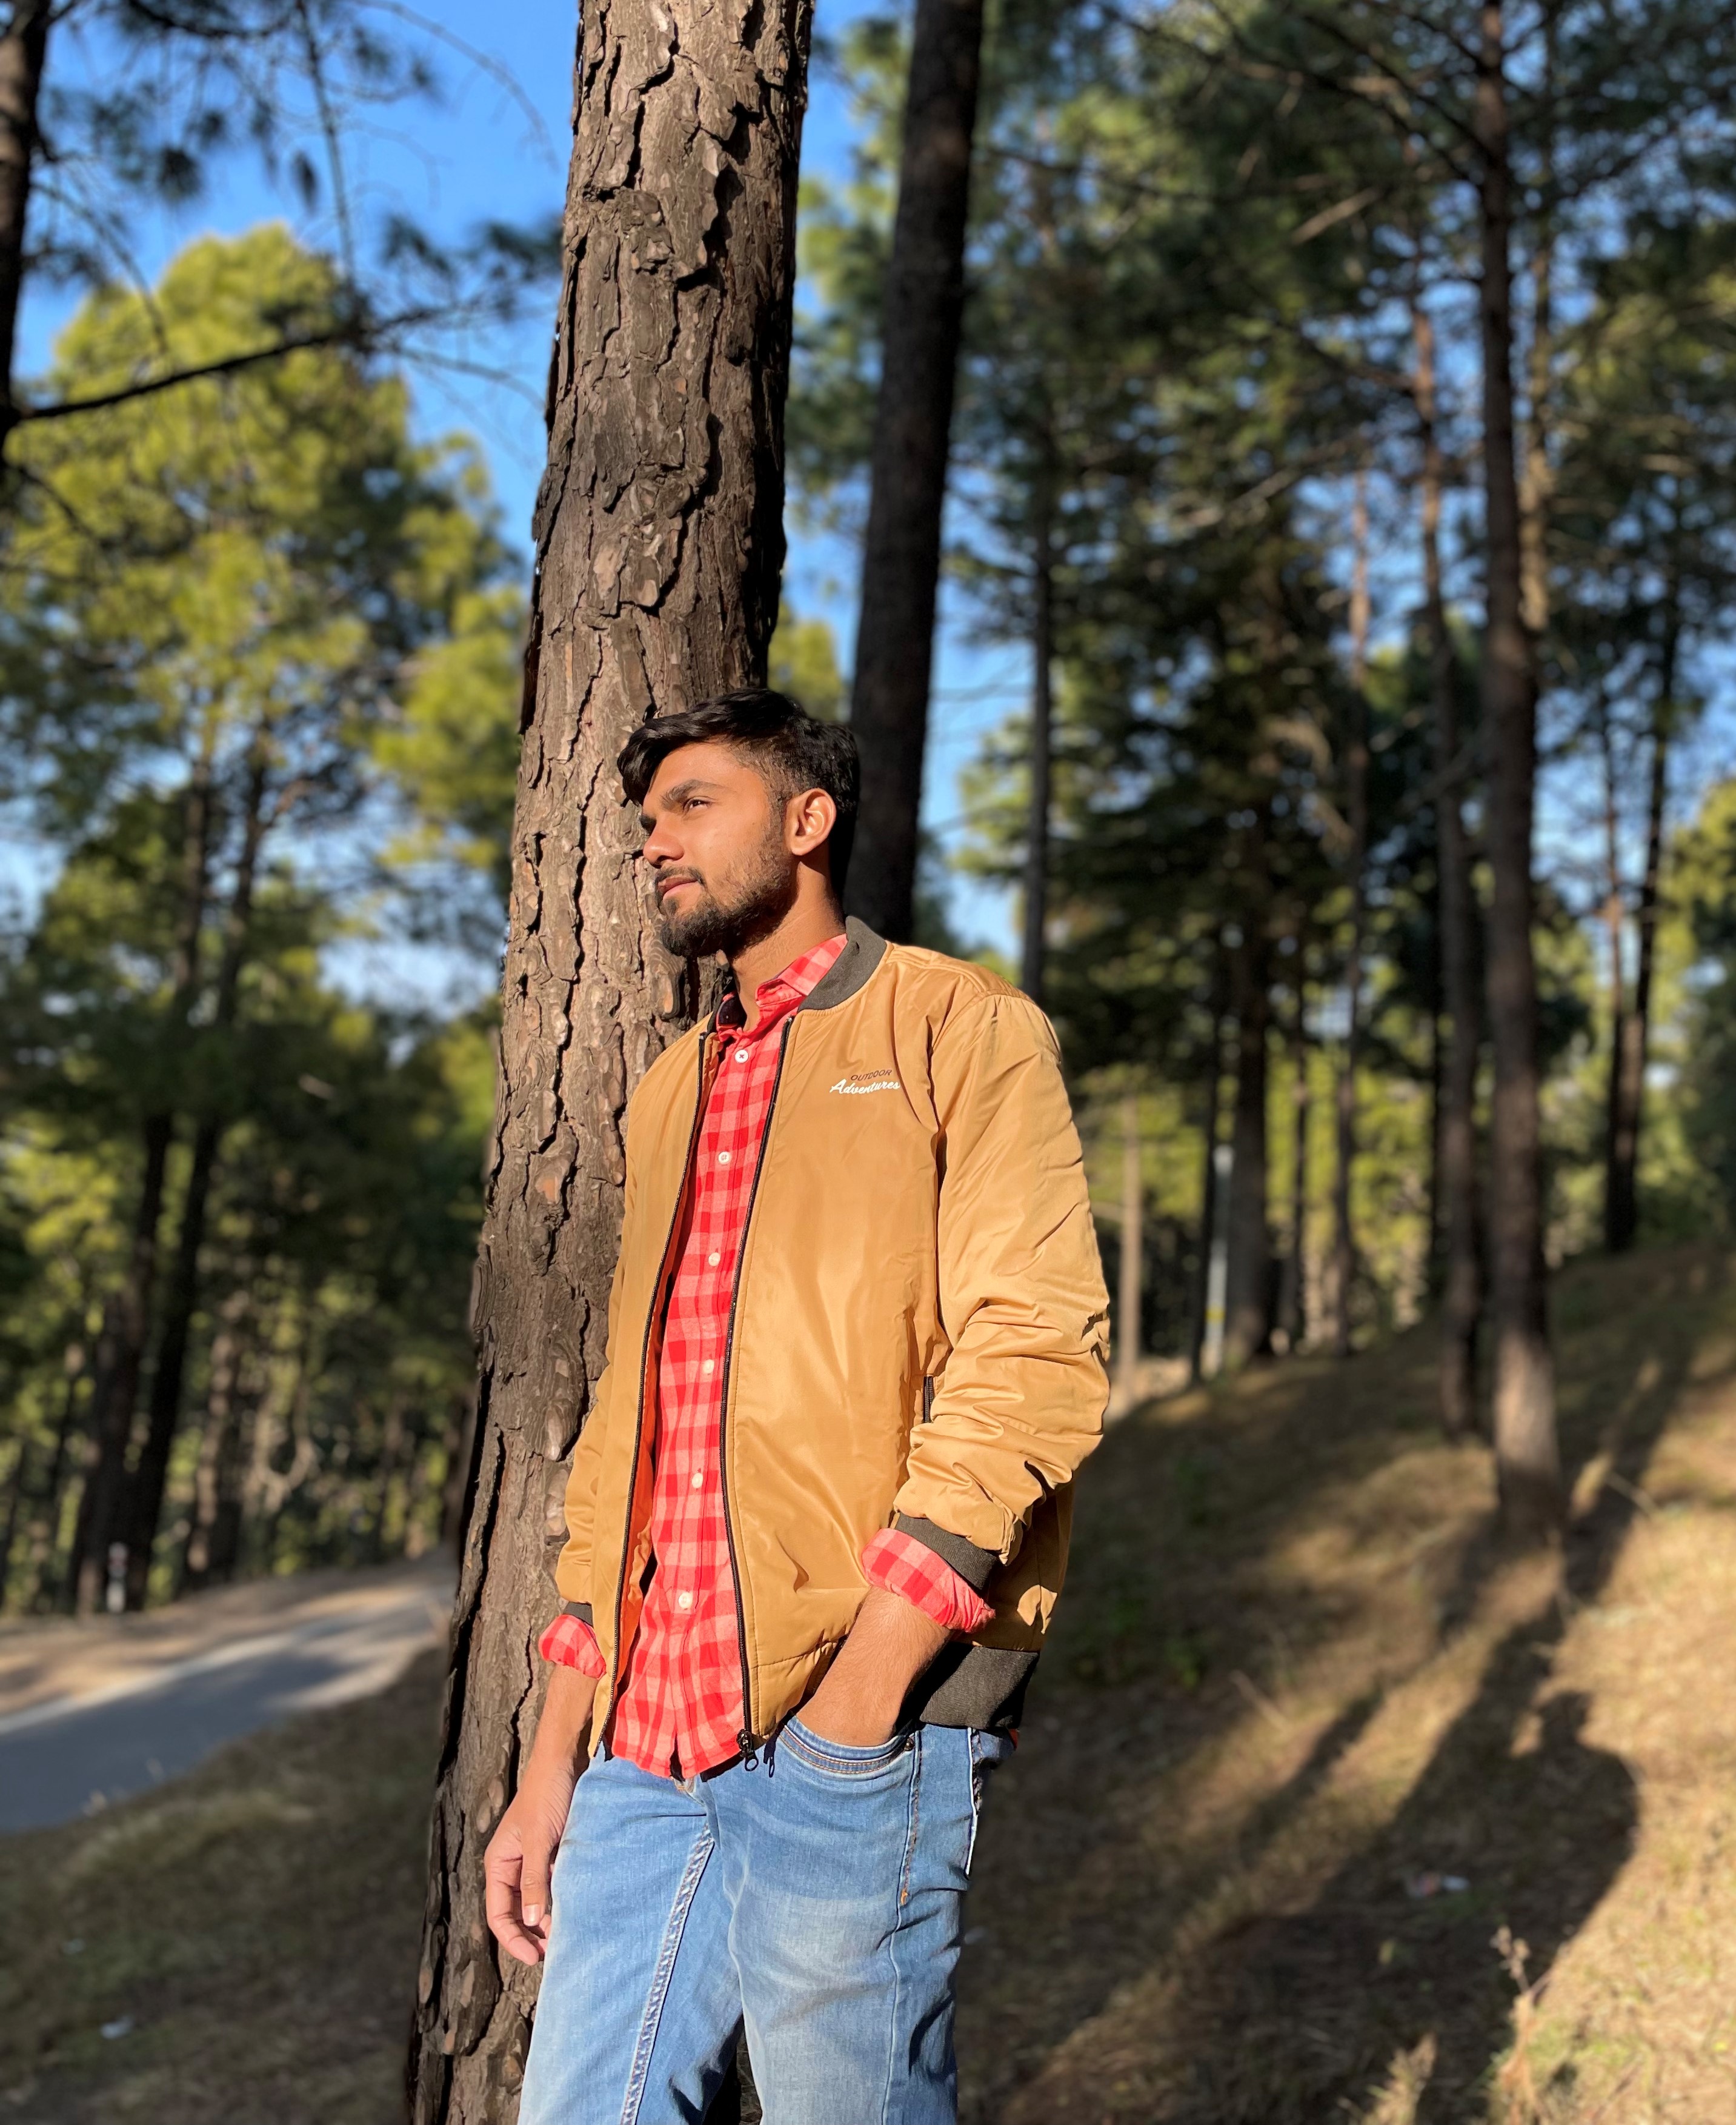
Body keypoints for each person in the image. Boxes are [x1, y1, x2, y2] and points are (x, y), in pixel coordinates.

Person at [485, 689, 1109, 2125]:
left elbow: (1034, 1350)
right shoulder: (667, 1088)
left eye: (692, 805)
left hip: (853, 1730)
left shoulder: (959, 1023)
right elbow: (621, 1434)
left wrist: (861, 1696)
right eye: (647, 822)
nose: (654, 844)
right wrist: (547, 1768)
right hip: (644, 1746)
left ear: (806, 820)